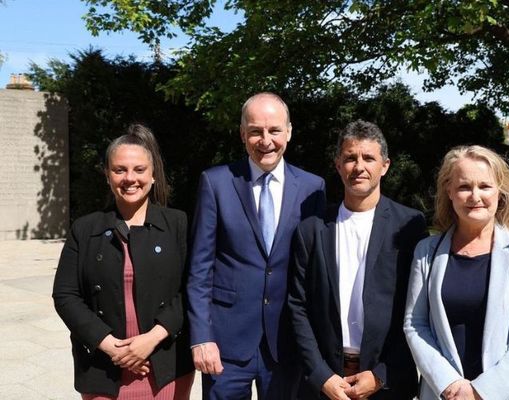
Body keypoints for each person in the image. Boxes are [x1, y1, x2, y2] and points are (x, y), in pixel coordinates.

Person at [187, 92, 326, 399]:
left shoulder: (312, 188)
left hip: (287, 343)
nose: (266, 140)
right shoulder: (216, 183)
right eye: (255, 131)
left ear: (289, 132)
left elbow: (316, 271)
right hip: (224, 345)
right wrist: (201, 337)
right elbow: (200, 267)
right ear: (242, 134)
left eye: (274, 130)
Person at [404, 145, 509, 400]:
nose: (475, 196)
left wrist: (481, 391)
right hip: (446, 394)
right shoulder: (426, 252)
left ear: (500, 192)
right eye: (464, 187)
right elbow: (415, 324)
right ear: (449, 192)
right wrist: (450, 384)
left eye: (484, 186)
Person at [52, 124, 194, 399]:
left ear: (153, 175)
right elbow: (65, 295)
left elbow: (191, 289)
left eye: (139, 170)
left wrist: (151, 338)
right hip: (103, 366)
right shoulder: (84, 229)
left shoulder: (178, 223)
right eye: (120, 170)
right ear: (107, 175)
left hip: (165, 363)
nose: (130, 178)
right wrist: (111, 346)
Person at [288, 120, 427, 400]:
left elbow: (416, 308)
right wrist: (321, 375)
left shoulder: (409, 225)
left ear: (385, 165)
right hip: (325, 383)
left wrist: (381, 374)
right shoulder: (311, 229)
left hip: (386, 383)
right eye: (350, 158)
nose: (359, 166)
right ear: (338, 165)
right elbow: (297, 306)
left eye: (368, 158)